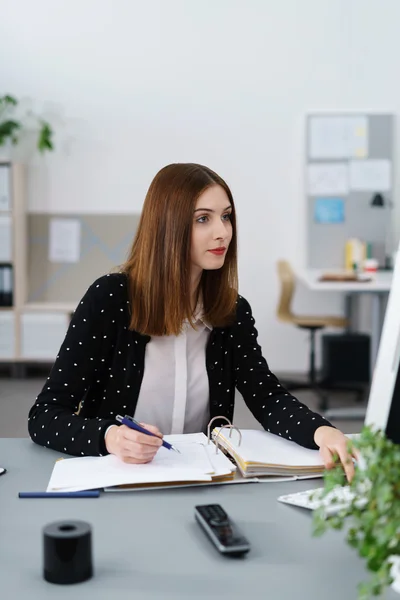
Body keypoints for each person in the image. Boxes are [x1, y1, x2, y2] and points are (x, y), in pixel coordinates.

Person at [28, 163, 355, 481]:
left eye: (226, 217)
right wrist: (110, 437)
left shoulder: (232, 310)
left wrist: (321, 431)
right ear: (168, 226)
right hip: (120, 481)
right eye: (203, 219)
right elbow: (44, 417)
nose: (222, 232)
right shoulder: (110, 299)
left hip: (202, 479)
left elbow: (266, 396)